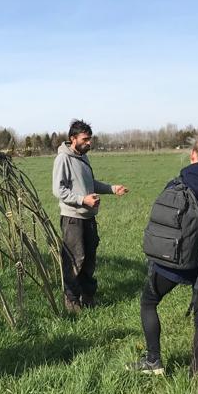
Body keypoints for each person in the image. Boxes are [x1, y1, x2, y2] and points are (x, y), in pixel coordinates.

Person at [131, 138, 198, 377]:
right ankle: (194, 375)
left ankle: (154, 360)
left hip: (176, 254)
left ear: (193, 156)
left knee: (149, 302)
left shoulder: (181, 180)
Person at [52, 119, 129, 312]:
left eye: (90, 139)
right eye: (85, 139)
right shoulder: (63, 159)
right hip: (72, 217)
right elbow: (58, 190)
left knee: (89, 259)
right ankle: (71, 301)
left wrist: (112, 189)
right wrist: (82, 200)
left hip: (88, 217)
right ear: (73, 139)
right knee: (74, 259)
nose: (89, 143)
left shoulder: (83, 157)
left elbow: (90, 184)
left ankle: (87, 296)